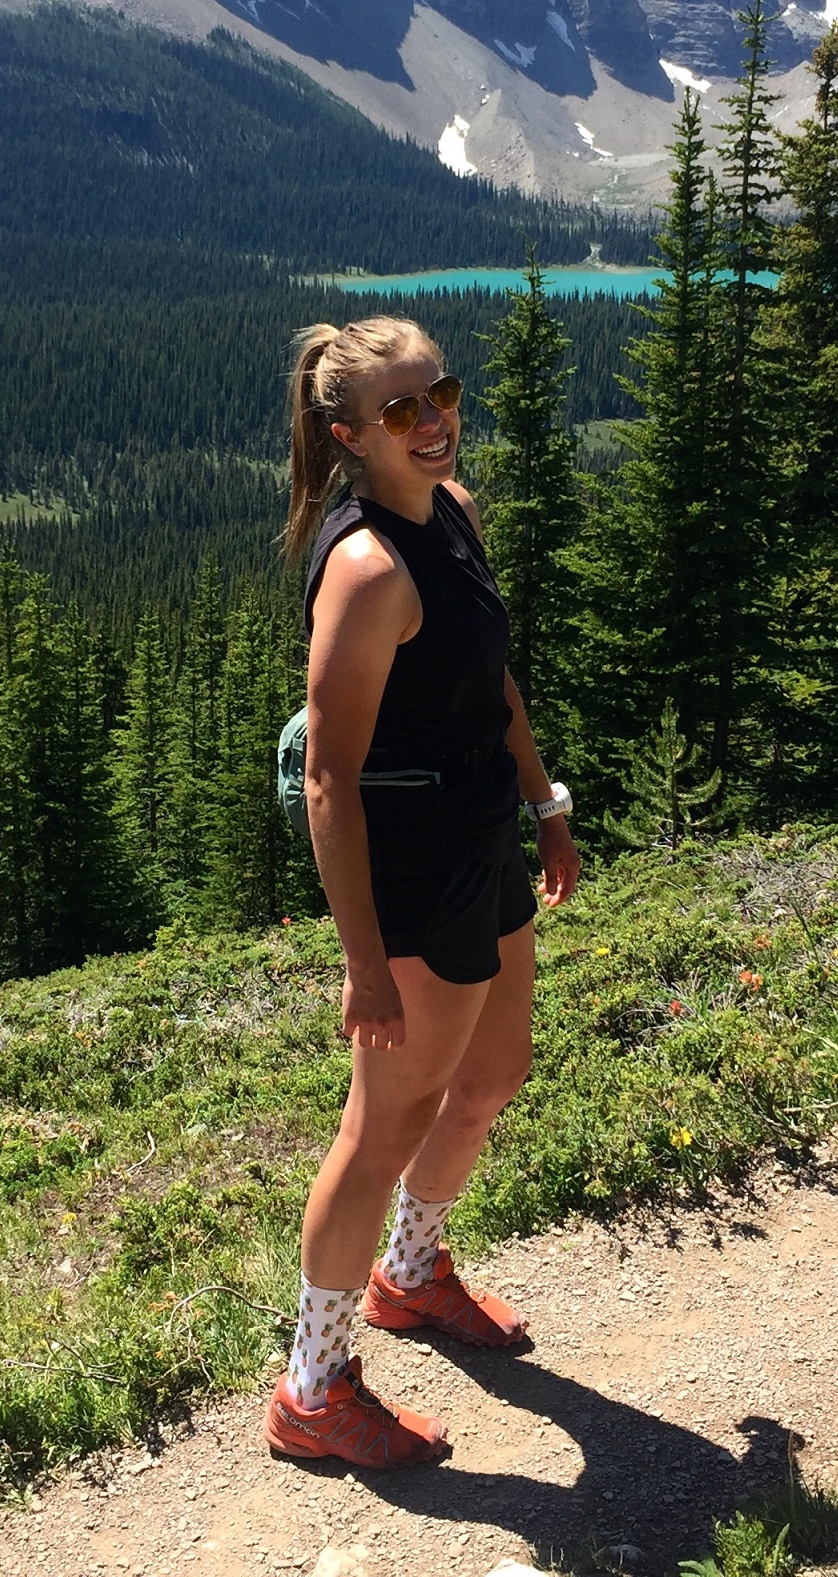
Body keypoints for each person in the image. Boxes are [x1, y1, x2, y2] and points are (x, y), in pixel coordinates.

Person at [264, 315, 580, 1471]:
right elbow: (327, 776)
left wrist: (543, 804)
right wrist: (360, 960)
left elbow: (486, 667)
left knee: (495, 1072)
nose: (434, 420)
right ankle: (313, 1385)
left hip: (481, 832)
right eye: (402, 411)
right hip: (407, 871)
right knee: (381, 1122)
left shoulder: (451, 513)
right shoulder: (362, 568)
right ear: (349, 436)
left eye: (438, 392)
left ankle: (411, 1275)